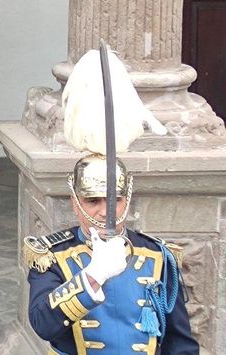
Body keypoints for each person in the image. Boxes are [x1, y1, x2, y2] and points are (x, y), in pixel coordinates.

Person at [26, 48, 197, 354]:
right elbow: (42, 322)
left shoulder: (158, 256)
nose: (105, 212)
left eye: (114, 199)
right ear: (75, 202)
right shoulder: (51, 258)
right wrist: (92, 276)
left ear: (127, 199)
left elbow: (180, 344)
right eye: (92, 201)